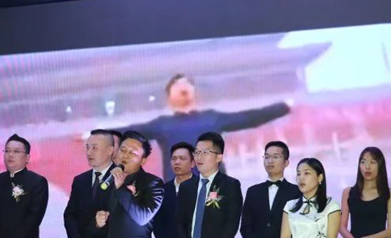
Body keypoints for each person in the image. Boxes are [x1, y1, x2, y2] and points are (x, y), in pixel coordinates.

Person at [118, 74, 290, 179]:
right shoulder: (161, 125)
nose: (183, 86)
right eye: (177, 85)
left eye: (187, 83)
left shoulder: (212, 118)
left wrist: (283, 107)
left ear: (194, 92)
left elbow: (248, 118)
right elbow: (126, 133)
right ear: (169, 96)